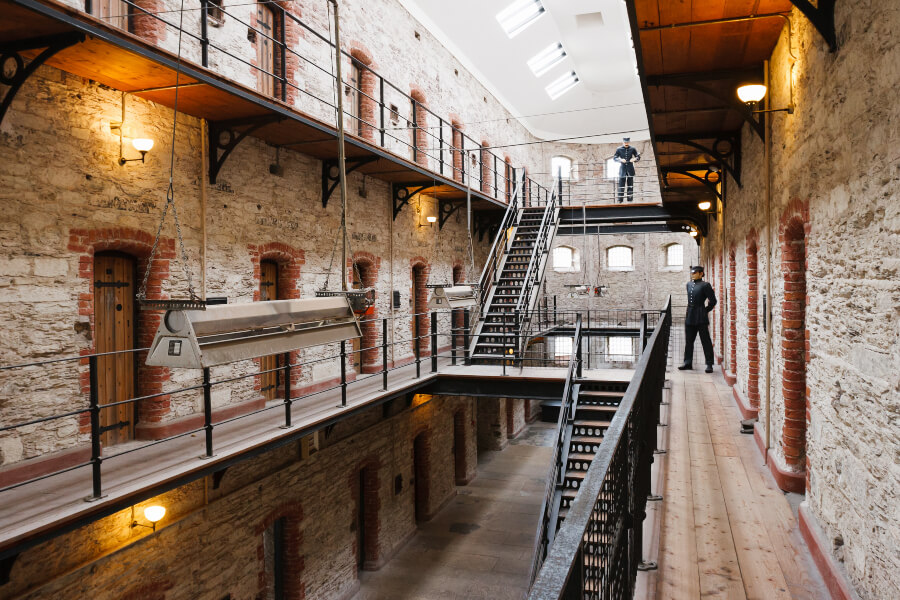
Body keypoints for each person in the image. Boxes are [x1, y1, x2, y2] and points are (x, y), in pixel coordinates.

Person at [679, 265, 717, 373]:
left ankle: (709, 364)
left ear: (701, 273)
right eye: (692, 273)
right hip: (690, 315)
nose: (692, 275)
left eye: (695, 273)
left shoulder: (705, 285)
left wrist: (705, 310)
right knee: (689, 340)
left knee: (705, 340)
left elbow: (713, 301)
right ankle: (687, 362)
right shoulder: (689, 284)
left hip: (701, 316)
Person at [613, 137, 641, 202]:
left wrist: (634, 159)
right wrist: (620, 160)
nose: (626, 143)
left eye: (627, 142)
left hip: (630, 169)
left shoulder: (633, 148)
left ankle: (630, 199)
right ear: (623, 142)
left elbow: (638, 157)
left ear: (629, 142)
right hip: (622, 170)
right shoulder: (619, 149)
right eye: (625, 142)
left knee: (630, 185)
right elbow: (615, 158)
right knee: (621, 185)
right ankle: (620, 200)